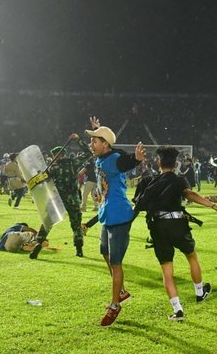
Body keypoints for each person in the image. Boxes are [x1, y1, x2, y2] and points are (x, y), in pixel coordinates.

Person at [134, 146, 217, 321]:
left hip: (158, 227)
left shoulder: (149, 182)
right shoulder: (179, 180)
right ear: (176, 163)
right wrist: (215, 206)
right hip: (177, 224)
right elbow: (190, 194)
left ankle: (178, 310)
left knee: (167, 269)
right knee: (191, 256)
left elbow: (138, 206)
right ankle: (200, 292)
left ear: (158, 163)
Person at [86, 116, 145, 327]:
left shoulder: (115, 158)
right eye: (92, 140)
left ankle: (115, 305)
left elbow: (124, 159)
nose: (91, 144)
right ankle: (120, 291)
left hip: (119, 216)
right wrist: (97, 130)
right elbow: (107, 150)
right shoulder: (100, 157)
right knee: (104, 252)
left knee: (115, 262)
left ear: (105, 144)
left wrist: (136, 160)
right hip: (106, 215)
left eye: (94, 141)